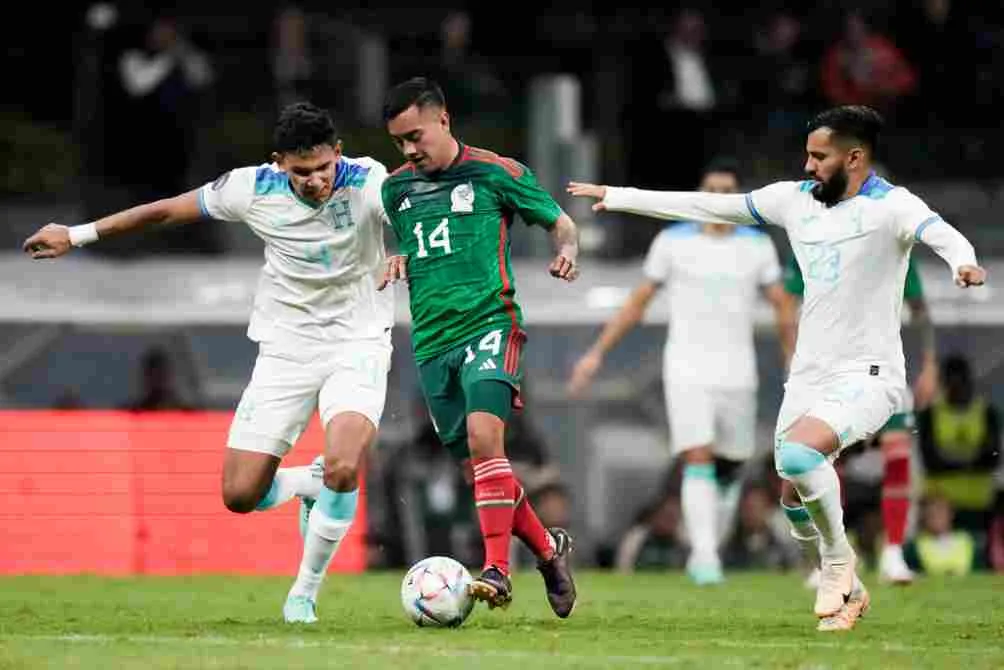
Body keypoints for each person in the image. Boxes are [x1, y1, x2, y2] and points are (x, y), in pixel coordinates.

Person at [568, 104, 986, 632]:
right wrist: (619, 196)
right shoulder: (794, 201)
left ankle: (838, 564)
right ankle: (851, 589)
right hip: (809, 375)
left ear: (854, 157)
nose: (808, 165)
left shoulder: (892, 206)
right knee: (791, 494)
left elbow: (939, 231)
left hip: (870, 374)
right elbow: (706, 207)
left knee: (797, 452)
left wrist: (963, 261)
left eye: (820, 156)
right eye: (807, 154)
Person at [23, 102, 394, 625]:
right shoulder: (252, 187)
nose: (313, 181)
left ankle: (303, 596)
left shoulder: (369, 181)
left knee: (343, 463)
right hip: (286, 347)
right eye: (300, 172)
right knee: (241, 495)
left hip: (359, 339)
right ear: (278, 163)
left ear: (338, 153)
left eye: (322, 168)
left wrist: (407, 254)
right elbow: (165, 211)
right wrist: (78, 234)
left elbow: (416, 213)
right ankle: (305, 484)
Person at [377, 77, 579, 617]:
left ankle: (495, 569)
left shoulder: (498, 172)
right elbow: (410, 246)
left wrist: (568, 250)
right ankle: (547, 549)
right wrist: (397, 259)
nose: (410, 150)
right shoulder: (396, 190)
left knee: (486, 439)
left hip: (491, 323)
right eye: (399, 142)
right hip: (431, 342)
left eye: (415, 135)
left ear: (443, 119)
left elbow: (561, 223)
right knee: (481, 470)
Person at [567, 159, 792, 585]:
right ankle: (705, 557)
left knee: (731, 463)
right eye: (712, 189)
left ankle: (710, 544)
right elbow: (639, 301)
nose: (719, 197)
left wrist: (793, 358)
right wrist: (596, 353)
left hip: (737, 372)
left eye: (728, 190)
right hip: (686, 366)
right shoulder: (672, 242)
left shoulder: (757, 246)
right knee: (697, 457)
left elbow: (782, 304)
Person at [781, 249, 938, 585]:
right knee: (819, 461)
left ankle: (893, 553)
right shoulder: (812, 240)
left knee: (897, 453)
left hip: (881, 373)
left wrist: (930, 364)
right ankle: (827, 558)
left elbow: (919, 308)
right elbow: (786, 307)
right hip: (828, 376)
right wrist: (791, 359)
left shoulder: (890, 242)